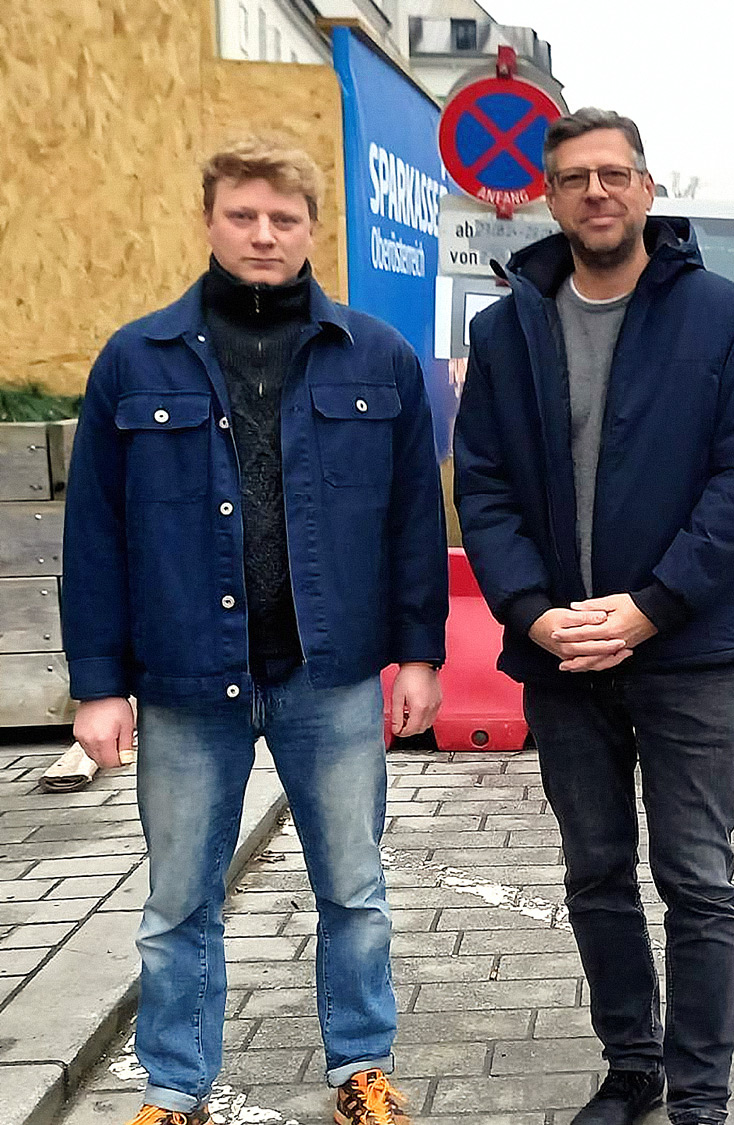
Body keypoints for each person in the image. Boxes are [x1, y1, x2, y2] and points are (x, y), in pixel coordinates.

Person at [62, 138, 448, 1125]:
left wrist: (422, 653)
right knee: (179, 903)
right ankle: (174, 1089)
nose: (263, 235)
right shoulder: (134, 359)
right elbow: (96, 534)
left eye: (283, 217)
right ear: (208, 221)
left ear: (313, 229)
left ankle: (359, 1067)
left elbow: (415, 521)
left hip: (334, 672)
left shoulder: (378, 358)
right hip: (190, 679)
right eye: (243, 215)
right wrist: (99, 684)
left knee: (355, 891)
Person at [453, 109, 734, 1125]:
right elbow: (485, 486)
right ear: (548, 198)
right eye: (573, 178)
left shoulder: (719, 315)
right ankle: (631, 1066)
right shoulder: (503, 330)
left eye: (614, 174)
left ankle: (700, 1099)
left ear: (647, 189)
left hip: (684, 649)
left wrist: (650, 608)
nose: (596, 191)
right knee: (596, 872)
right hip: (560, 656)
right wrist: (533, 613)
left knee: (696, 878)